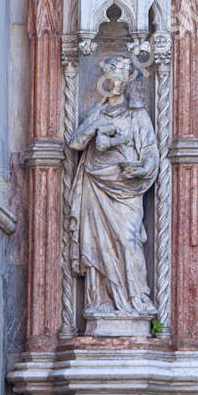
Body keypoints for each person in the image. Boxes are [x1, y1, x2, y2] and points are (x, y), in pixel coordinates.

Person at [68, 55, 160, 324]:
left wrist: (142, 169)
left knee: (129, 240)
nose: (118, 80)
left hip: (127, 188)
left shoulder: (138, 116)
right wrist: (95, 128)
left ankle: (137, 299)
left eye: (123, 75)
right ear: (107, 79)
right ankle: (103, 300)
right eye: (114, 74)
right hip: (96, 182)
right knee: (97, 243)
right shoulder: (98, 113)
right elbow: (75, 144)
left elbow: (151, 152)